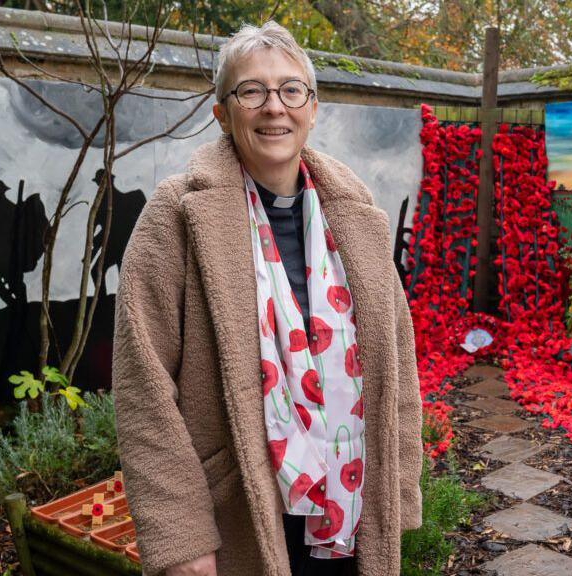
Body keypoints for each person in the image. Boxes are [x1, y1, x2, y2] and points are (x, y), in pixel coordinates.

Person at [111, 20, 423, 576]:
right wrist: (181, 539)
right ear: (222, 112)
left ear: (312, 106)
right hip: (239, 514)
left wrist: (397, 490)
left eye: (290, 89)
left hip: (350, 505)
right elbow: (143, 386)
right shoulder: (175, 217)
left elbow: (396, 362)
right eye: (251, 90)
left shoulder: (354, 213)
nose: (273, 106)